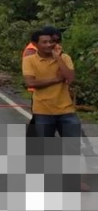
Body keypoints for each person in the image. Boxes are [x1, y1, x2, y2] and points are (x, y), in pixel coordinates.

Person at [22, 29, 90, 191]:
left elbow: (70, 78)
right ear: (35, 44)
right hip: (43, 111)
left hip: (66, 110)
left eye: (51, 42)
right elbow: (30, 83)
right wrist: (56, 79)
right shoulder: (29, 60)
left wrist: (57, 57)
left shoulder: (64, 58)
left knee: (73, 148)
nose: (49, 45)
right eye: (44, 42)